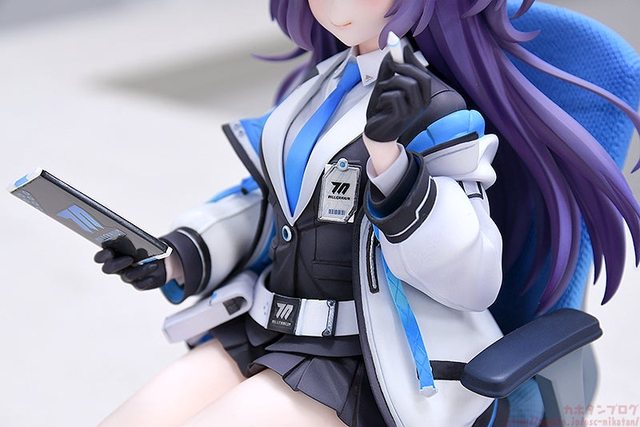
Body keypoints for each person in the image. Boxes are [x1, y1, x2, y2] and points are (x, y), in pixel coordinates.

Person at [94, 1, 640, 426]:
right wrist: (174, 255)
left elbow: (473, 276)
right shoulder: (319, 91)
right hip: (270, 327)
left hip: (365, 363)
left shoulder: (436, 112)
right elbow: (271, 204)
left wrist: (391, 163)